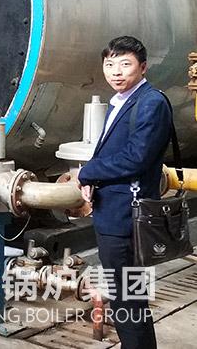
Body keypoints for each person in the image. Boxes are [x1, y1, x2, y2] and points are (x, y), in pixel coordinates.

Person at [77, 36, 172, 349]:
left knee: (127, 300)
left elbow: (136, 157)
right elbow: (113, 152)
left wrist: (88, 172)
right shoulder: (121, 100)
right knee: (127, 298)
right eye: (110, 64)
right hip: (113, 214)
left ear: (142, 67)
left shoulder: (151, 102)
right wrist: (94, 178)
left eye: (125, 64)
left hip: (127, 219)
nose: (116, 71)